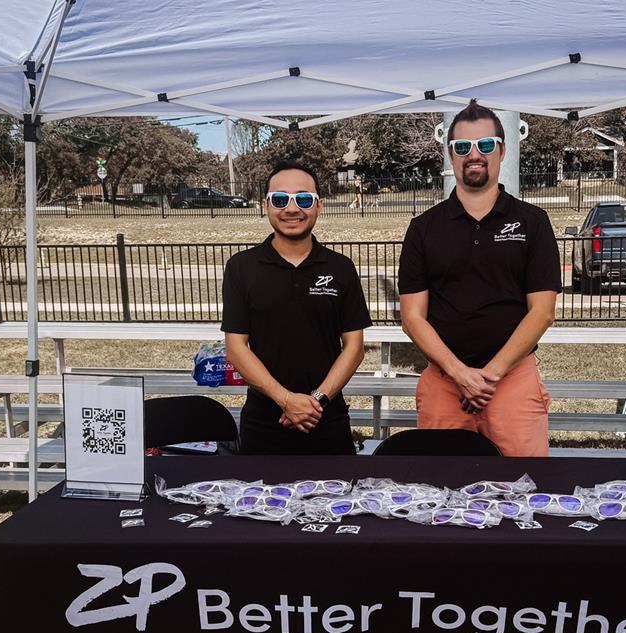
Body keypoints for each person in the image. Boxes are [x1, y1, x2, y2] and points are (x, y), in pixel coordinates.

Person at [397, 100, 562, 456]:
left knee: (524, 488)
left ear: (502, 151)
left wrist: (489, 376)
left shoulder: (532, 222)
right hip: (444, 383)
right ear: (450, 155)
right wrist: (460, 374)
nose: (475, 154)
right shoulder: (423, 228)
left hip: (513, 383)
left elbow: (543, 312)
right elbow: (412, 317)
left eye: (485, 145)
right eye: (462, 147)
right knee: (440, 493)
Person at [223, 161, 372, 454]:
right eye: (281, 199)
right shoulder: (241, 267)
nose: (292, 209)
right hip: (264, 423)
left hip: (327, 420)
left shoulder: (340, 268)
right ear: (266, 205)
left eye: (303, 199)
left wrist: (316, 401)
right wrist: (286, 400)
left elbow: (354, 347)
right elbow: (236, 348)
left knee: (334, 500)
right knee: (263, 501)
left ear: (319, 206)